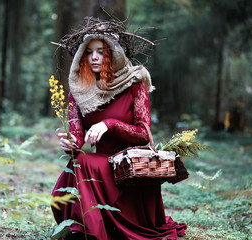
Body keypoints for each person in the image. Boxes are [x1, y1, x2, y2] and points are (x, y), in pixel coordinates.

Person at [52, 18, 187, 240]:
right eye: (89, 52)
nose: (94, 57)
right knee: (78, 160)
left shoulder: (134, 84)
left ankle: (92, 229)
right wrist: (69, 143)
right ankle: (82, 229)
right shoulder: (79, 92)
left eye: (101, 51)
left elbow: (144, 134)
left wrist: (110, 125)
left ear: (113, 54)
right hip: (101, 166)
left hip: (131, 169)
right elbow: (77, 138)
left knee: (83, 163)